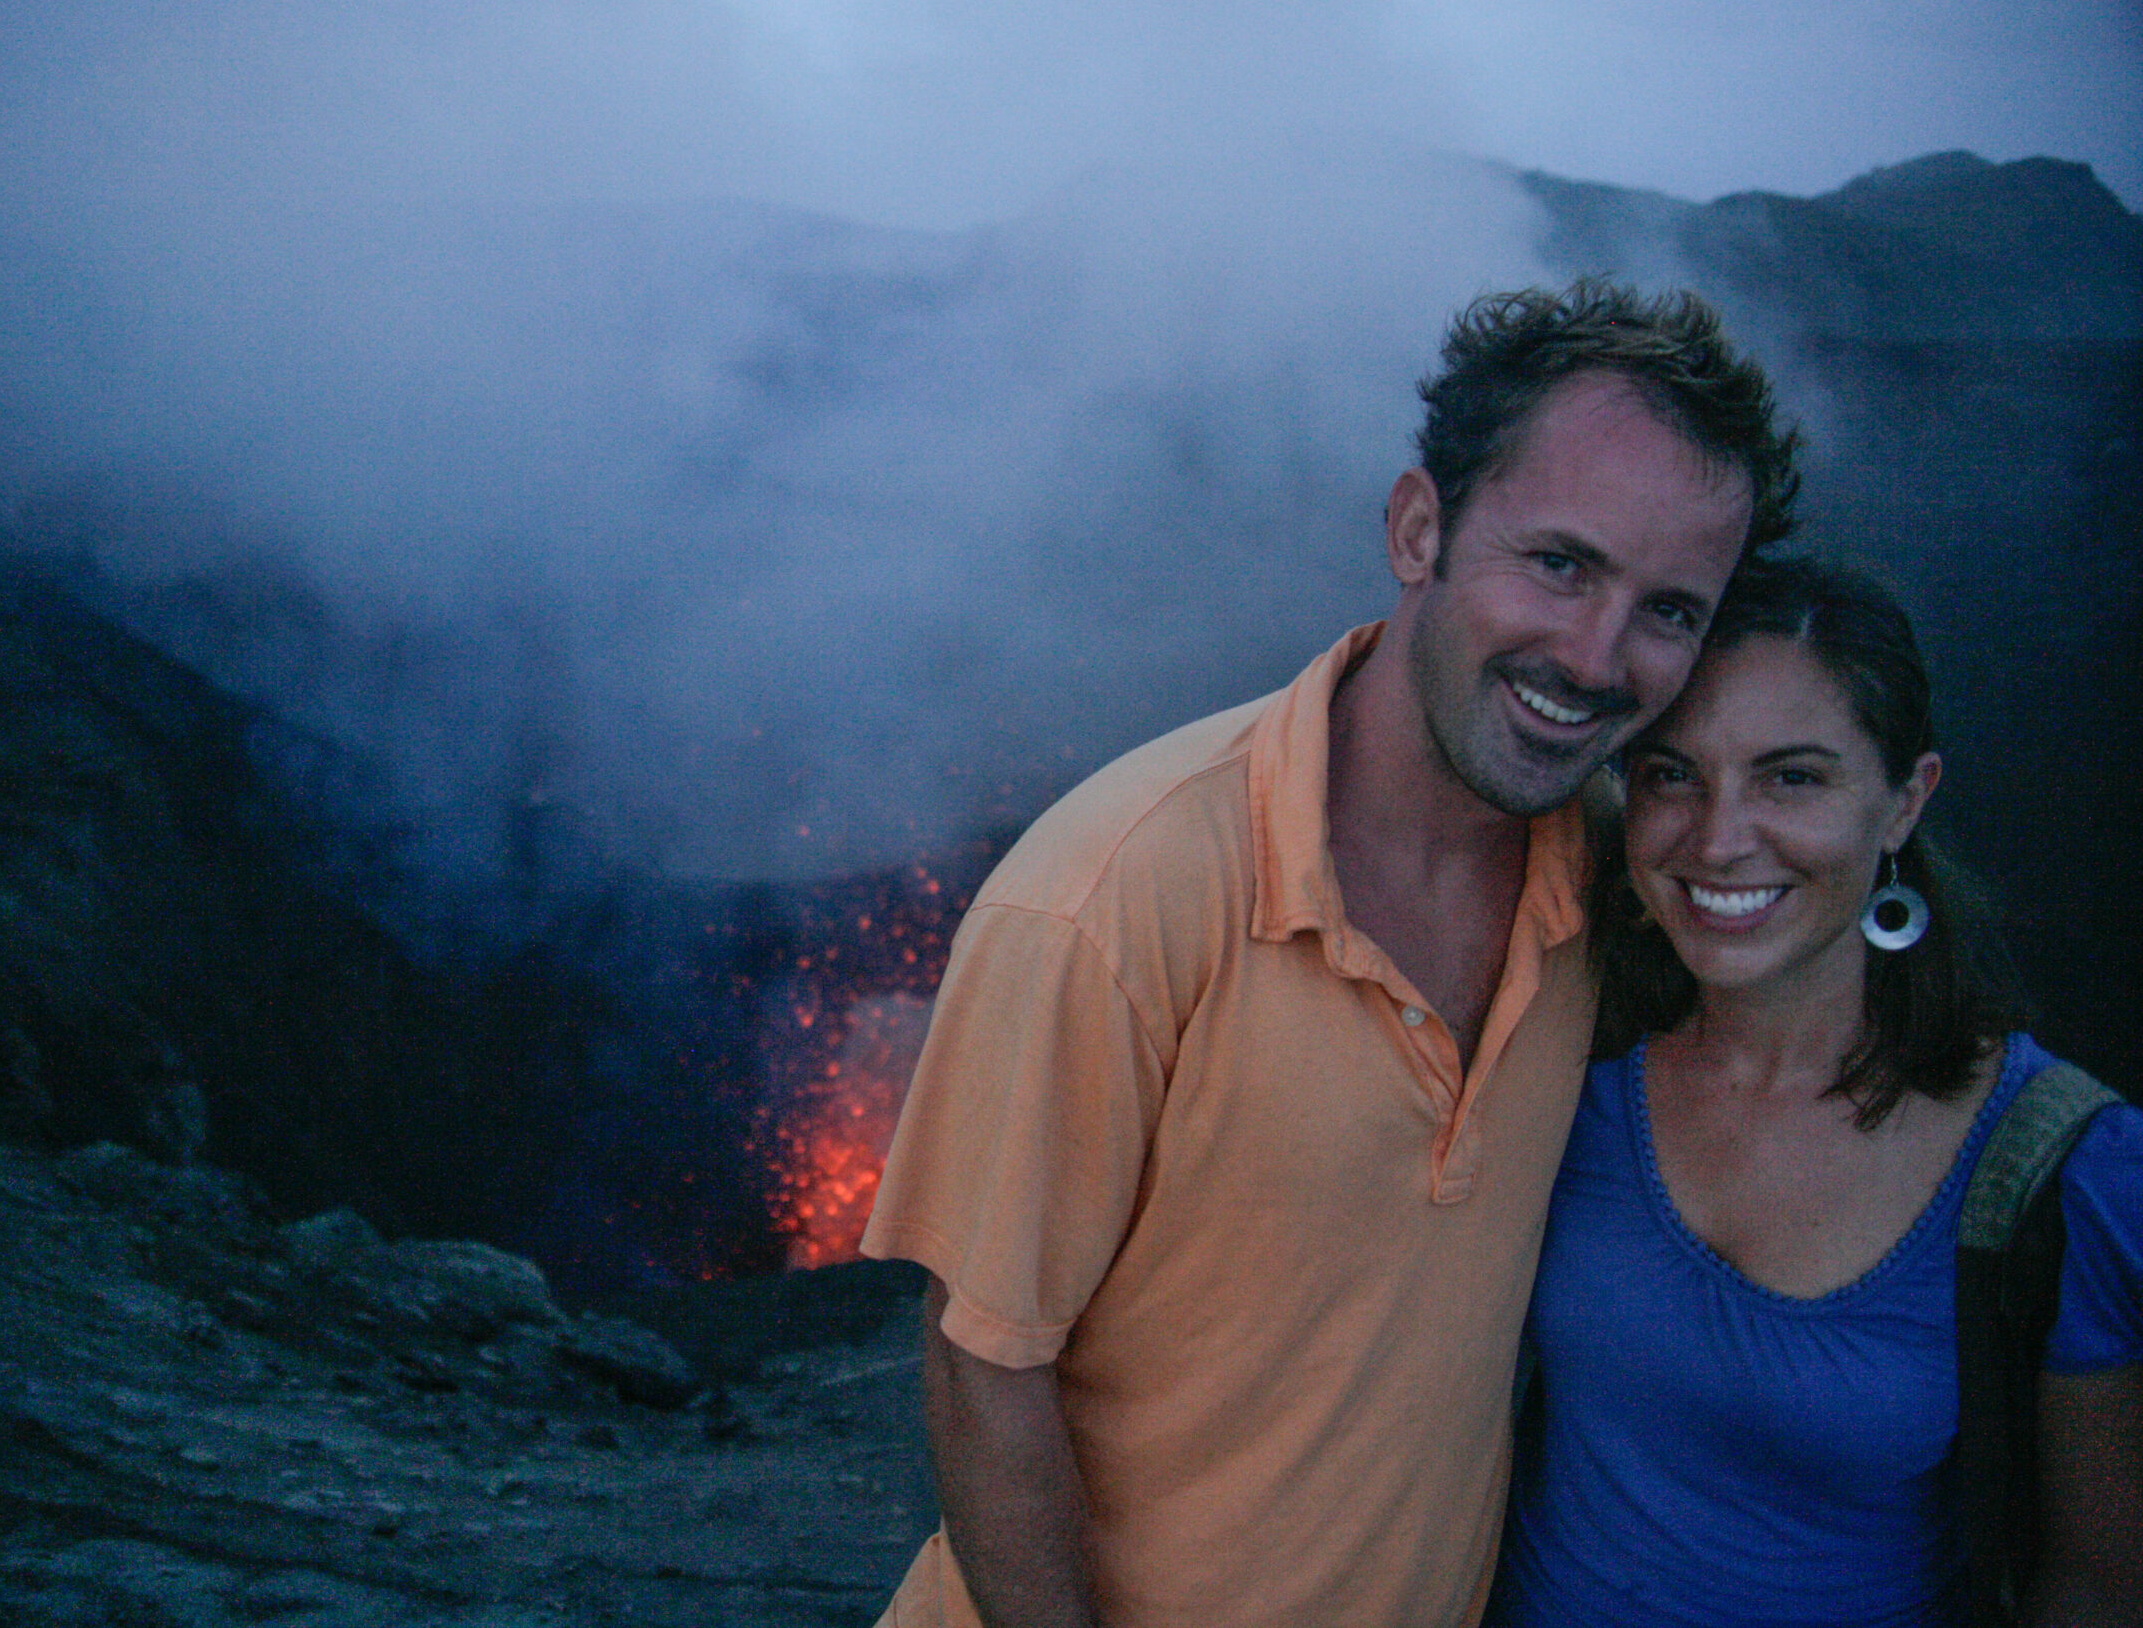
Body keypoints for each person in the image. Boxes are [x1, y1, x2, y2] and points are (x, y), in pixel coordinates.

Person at [857, 280, 1802, 1628]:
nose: (1595, 656)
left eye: (1669, 609)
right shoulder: (1116, 896)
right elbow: (985, 1373)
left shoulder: (1614, 878)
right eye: (1558, 563)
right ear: (1419, 528)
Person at [1486, 558, 2143, 1626]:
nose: (1718, 839)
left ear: (1904, 802)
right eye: (1670, 774)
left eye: (1791, 778)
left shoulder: (2058, 1167)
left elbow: (2100, 1581)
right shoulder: (1567, 1057)